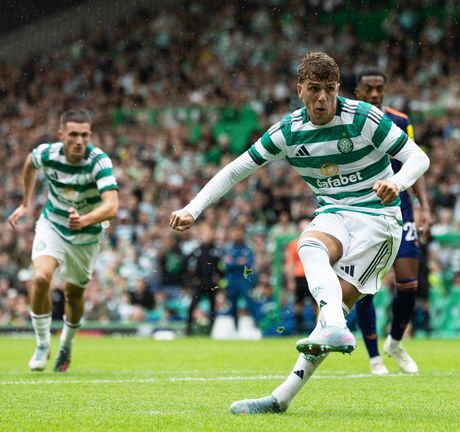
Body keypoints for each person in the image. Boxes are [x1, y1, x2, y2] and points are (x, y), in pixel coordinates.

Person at [169, 52, 429, 414]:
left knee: (332, 311)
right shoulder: (288, 131)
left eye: (329, 90)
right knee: (308, 245)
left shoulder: (363, 117)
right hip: (335, 212)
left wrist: (397, 183)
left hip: (379, 221)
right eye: (314, 89)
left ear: (338, 88)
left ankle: (285, 392)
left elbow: (419, 158)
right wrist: (192, 208)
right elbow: (236, 170)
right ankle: (325, 338)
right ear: (299, 90)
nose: (322, 99)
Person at [7, 109, 119, 372]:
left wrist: (85, 219)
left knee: (73, 295)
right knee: (41, 278)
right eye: (73, 135)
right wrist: (26, 203)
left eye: (85, 135)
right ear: (61, 135)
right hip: (53, 225)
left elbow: (112, 206)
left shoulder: (99, 161)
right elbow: (29, 163)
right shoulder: (48, 153)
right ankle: (42, 343)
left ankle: (66, 344)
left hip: (86, 235)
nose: (79, 141)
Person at [352, 69, 433, 375]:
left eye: (379, 88)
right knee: (365, 286)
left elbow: (414, 162)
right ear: (357, 92)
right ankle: (374, 357)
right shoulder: (347, 121)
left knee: (409, 282)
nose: (375, 94)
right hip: (364, 210)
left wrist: (425, 207)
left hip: (401, 207)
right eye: (368, 89)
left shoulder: (399, 120)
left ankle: (395, 343)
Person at [185, 224, 223, 335]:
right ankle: (189, 329)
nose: (207, 236)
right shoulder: (197, 251)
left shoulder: (216, 251)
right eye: (206, 234)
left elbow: (222, 267)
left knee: (213, 307)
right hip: (200, 283)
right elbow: (187, 264)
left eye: (209, 234)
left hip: (211, 283)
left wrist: (219, 278)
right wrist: (191, 279)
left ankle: (212, 330)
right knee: (192, 305)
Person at [222, 226, 258, 331]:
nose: (237, 236)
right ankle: (235, 327)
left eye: (239, 233)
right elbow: (226, 264)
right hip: (232, 279)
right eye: (236, 233)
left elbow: (248, 263)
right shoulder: (228, 248)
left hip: (244, 279)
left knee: (250, 301)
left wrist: (234, 262)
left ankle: (256, 324)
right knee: (232, 303)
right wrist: (238, 262)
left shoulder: (248, 248)